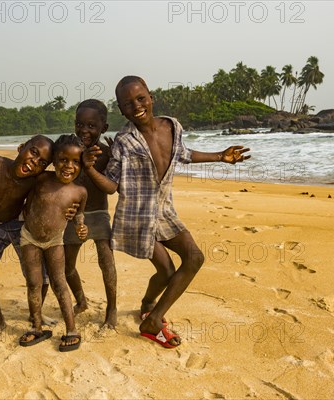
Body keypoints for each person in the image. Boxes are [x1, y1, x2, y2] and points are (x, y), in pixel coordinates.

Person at [83, 76, 251, 348]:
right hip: (137, 219)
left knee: (194, 258)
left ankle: (149, 308)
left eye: (140, 98)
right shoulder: (124, 141)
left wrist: (221, 156)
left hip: (165, 212)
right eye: (128, 103)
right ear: (121, 110)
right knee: (167, 270)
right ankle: (152, 319)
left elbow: (183, 153)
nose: (136, 106)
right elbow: (112, 186)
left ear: (151, 97)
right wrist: (90, 169)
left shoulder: (172, 125)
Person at [0, 132, 70, 339]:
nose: (34, 162)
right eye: (33, 153)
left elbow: (64, 183)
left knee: (40, 275)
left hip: (20, 223)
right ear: (21, 147)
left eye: (42, 162)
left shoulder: (37, 180)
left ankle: (37, 314)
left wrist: (72, 209)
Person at [19, 134, 88, 352]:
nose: (69, 166)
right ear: (54, 161)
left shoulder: (80, 192)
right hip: (29, 237)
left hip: (55, 240)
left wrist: (81, 227)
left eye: (75, 162)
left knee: (59, 283)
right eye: (63, 160)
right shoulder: (41, 179)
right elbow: (26, 194)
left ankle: (71, 330)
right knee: (33, 283)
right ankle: (37, 327)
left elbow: (79, 216)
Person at [63, 99, 118, 329]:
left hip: (99, 213)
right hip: (73, 214)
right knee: (67, 267)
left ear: (103, 128)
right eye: (80, 124)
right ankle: (81, 300)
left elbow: (112, 185)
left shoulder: (106, 153)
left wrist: (115, 154)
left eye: (91, 126)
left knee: (106, 261)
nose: (84, 130)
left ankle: (112, 308)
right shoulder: (67, 150)